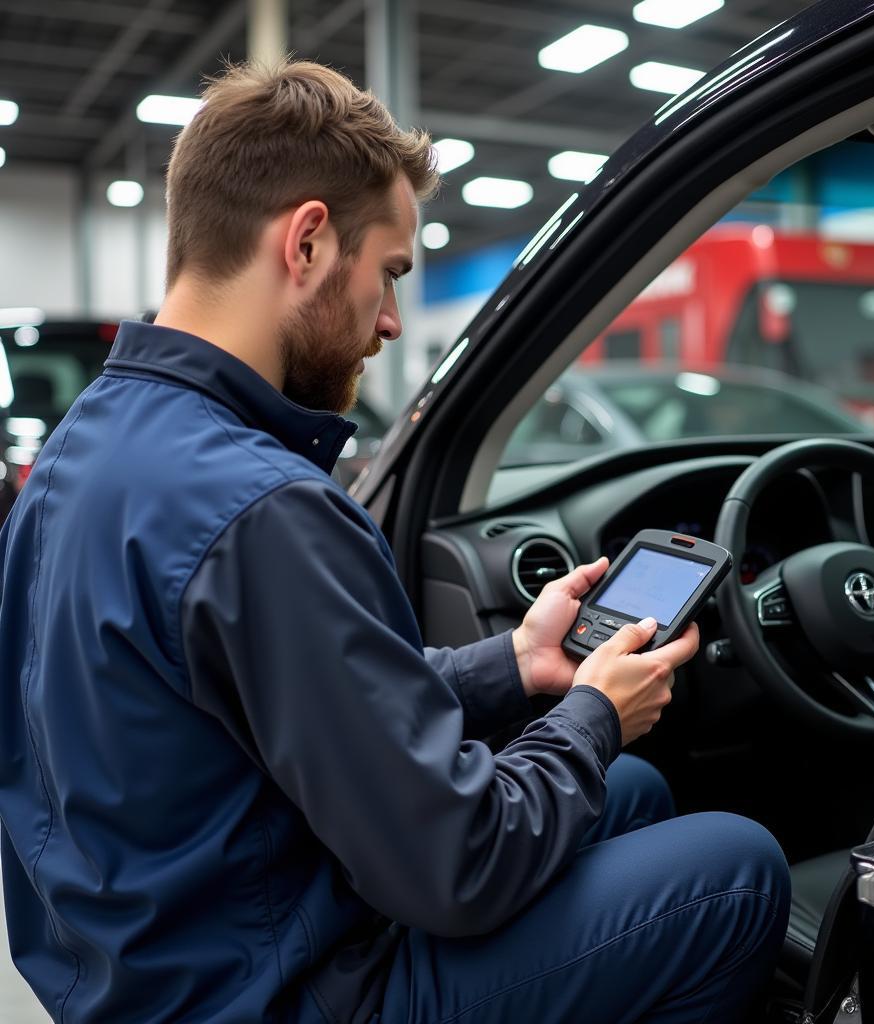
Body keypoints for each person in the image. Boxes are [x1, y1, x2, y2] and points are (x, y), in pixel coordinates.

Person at [0, 61, 789, 1023]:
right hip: (277, 990)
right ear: (307, 241)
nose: (389, 320)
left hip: (144, 962)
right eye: (390, 273)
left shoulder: (90, 444)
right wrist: (589, 716)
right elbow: (456, 864)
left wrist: (518, 663)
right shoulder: (263, 508)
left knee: (625, 791)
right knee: (736, 872)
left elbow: (303, 703)